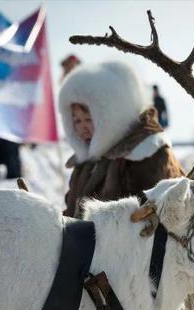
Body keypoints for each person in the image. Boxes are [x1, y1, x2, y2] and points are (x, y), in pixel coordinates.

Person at [59, 62, 184, 217]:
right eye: (76, 121)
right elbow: (72, 214)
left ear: (110, 115)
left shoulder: (147, 153)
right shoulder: (87, 160)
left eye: (89, 119)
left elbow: (149, 223)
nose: (82, 128)